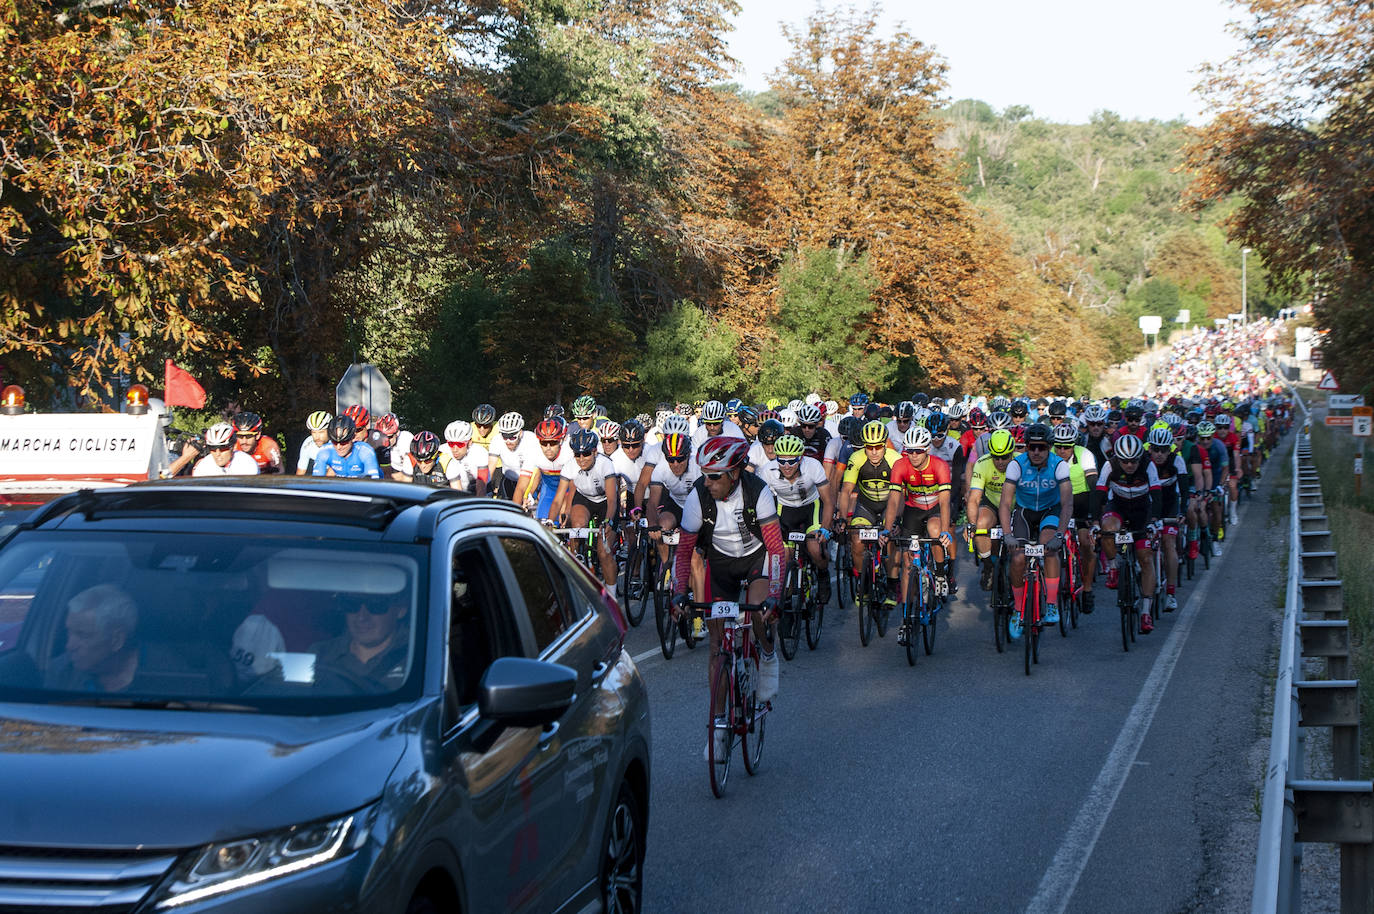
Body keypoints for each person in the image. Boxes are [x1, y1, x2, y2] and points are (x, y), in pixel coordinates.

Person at [671, 436, 785, 761]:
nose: (707, 482)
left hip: (755, 559)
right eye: (705, 474)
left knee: (760, 613)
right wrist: (679, 592)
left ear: (734, 473)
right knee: (718, 646)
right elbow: (683, 552)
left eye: (715, 476)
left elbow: (776, 550)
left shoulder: (758, 491)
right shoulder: (698, 497)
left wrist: (774, 596)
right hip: (720, 564)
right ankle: (719, 727)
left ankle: (767, 655)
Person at [998, 423, 1072, 639]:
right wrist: (1007, 534)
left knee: (1048, 549)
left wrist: (1060, 535)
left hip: (1050, 510)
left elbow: (1067, 504)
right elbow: (1005, 503)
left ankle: (1051, 604)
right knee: (1018, 558)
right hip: (1024, 512)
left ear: (1049, 447)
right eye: (1032, 447)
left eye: (1041, 447)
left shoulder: (1059, 466)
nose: (1036, 452)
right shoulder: (1016, 465)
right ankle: (1018, 609)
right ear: (1027, 447)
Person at [758, 434, 833, 605]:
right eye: (781, 460)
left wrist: (825, 529)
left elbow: (828, 501)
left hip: (811, 508)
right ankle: (787, 601)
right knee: (784, 557)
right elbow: (761, 505)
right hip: (784, 510)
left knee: (815, 549)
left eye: (792, 461)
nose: (786, 466)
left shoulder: (813, 466)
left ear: (801, 459)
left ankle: (823, 574)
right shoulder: (767, 471)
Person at [46, 584, 142, 692]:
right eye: (69, 632)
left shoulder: (160, 672)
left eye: (83, 635)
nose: (69, 646)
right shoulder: (60, 672)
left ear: (117, 640)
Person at [311, 590, 410, 691]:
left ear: (401, 610)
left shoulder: (419, 656)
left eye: (376, 606)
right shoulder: (320, 653)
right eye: (352, 604)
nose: (362, 617)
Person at [312, 415, 382, 478]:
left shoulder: (365, 451)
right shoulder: (325, 451)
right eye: (335, 442)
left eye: (344, 442)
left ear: (352, 438)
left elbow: (373, 485)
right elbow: (316, 483)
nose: (339, 447)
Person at [193, 423, 260, 476]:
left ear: (232, 447)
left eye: (223, 448)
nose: (217, 453)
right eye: (212, 448)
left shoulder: (248, 464)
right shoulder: (203, 466)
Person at [297, 411, 332, 475]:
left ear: (330, 430)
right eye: (314, 432)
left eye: (321, 432)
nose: (317, 437)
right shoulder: (308, 443)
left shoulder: (337, 444)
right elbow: (300, 472)